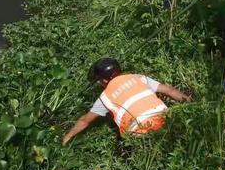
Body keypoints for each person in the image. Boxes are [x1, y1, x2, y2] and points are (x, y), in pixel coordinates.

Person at [62, 58, 192, 146]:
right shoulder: (138, 78)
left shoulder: (105, 97)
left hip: (141, 135)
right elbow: (168, 90)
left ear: (104, 81)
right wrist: (191, 103)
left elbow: (85, 120)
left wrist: (67, 137)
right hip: (167, 121)